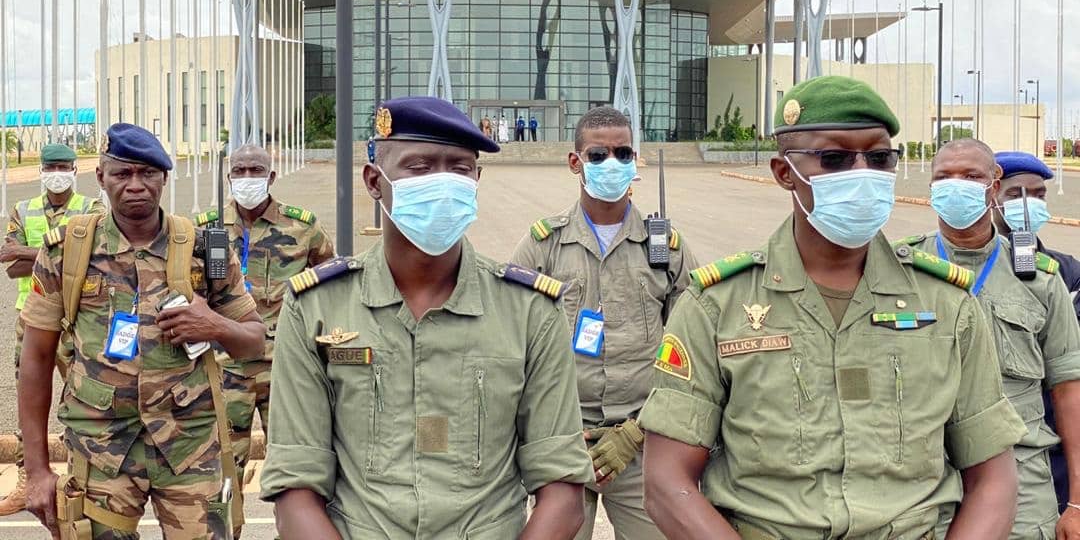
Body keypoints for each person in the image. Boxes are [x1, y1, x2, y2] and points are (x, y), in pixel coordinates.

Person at [638, 75, 1027, 539]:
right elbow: (667, 482)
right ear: (785, 172)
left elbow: (993, 477)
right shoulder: (716, 306)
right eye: (835, 159)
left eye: (879, 158)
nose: (862, 172)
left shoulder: (948, 305)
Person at [260, 96, 593, 540]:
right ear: (374, 181)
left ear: (477, 180)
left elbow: (563, 490)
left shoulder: (530, 311)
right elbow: (295, 487)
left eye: (459, 168)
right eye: (419, 167)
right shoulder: (316, 308)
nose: (443, 182)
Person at [18, 123, 266, 539]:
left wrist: (215, 325)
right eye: (122, 173)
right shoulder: (68, 251)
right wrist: (38, 470)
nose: (136, 184)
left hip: (188, 446)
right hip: (101, 450)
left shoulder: (205, 247)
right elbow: (36, 358)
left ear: (164, 177)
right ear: (101, 177)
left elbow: (254, 339)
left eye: (148, 173)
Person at [511, 105, 696, 540]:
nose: (612, 163)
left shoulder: (665, 248)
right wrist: (545, 434)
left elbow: (691, 357)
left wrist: (635, 432)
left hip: (642, 442)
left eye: (623, 153)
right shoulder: (543, 246)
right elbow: (512, 349)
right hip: (564, 444)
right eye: (598, 155)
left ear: (635, 160)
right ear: (575, 162)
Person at [909, 138, 1080, 539]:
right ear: (931, 188)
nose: (957, 185)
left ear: (993, 183)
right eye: (944, 177)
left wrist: (1076, 502)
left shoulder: (1041, 279)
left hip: (1022, 483)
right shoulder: (900, 269)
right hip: (924, 482)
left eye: (971, 176)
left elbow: (1069, 391)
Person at [193, 144, 334, 537]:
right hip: (225, 371)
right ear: (228, 177)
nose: (247, 177)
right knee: (221, 472)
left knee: (295, 473)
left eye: (255, 170)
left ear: (271, 177)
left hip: (286, 370)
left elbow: (331, 283)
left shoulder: (302, 227)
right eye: (239, 170)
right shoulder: (204, 229)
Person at [0, 143, 104, 516]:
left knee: (86, 401)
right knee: (29, 402)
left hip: (79, 318)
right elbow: (11, 268)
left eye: (63, 166)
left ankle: (84, 483)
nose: (56, 173)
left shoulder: (92, 209)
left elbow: (92, 256)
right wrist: (63, 255)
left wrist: (27, 252)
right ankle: (27, 482)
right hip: (31, 318)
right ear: (42, 170)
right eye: (50, 167)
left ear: (75, 170)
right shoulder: (23, 209)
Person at [991, 151, 1080, 520]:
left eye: (1039, 195)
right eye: (1016, 195)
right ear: (993, 196)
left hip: (1051, 436)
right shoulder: (953, 268)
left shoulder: (1066, 272)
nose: (1029, 204)